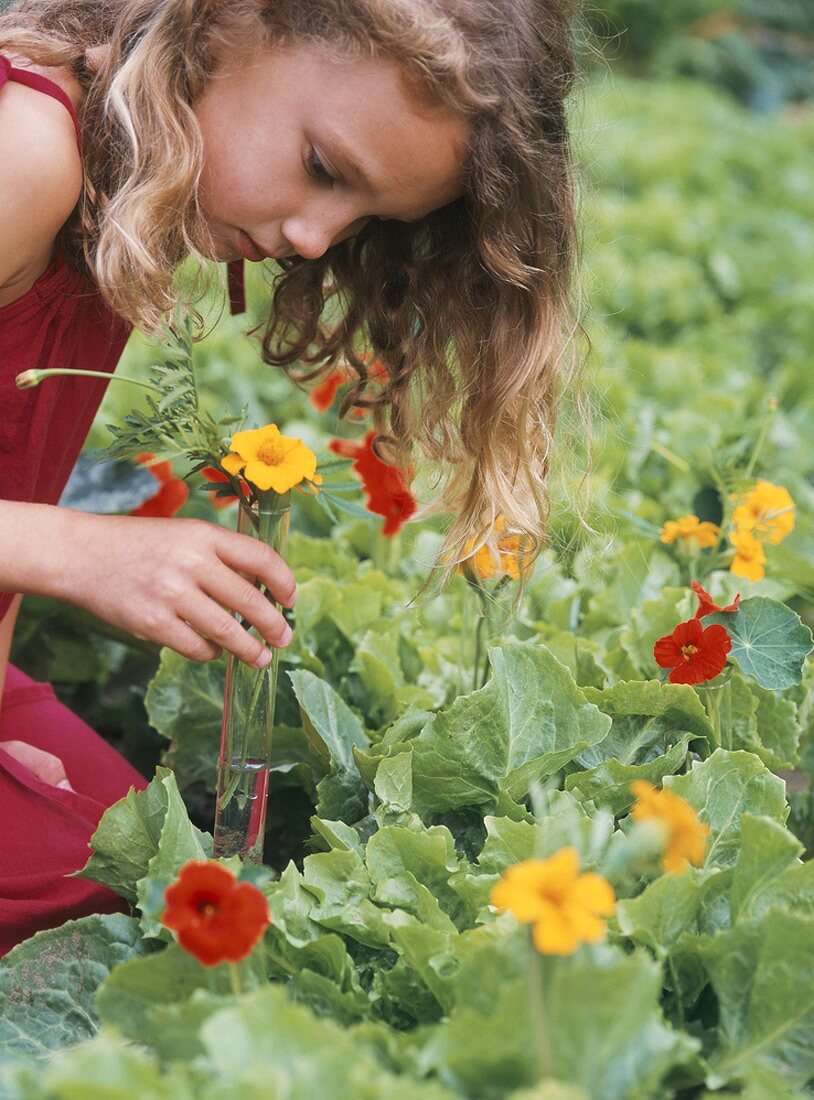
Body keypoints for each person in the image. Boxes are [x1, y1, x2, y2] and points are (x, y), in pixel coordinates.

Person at [0, 0, 583, 953]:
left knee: (157, 892)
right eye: (323, 169)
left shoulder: (106, 186)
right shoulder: (25, 155)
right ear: (227, 23)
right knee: (132, 928)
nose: (316, 239)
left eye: (365, 219)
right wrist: (76, 549)